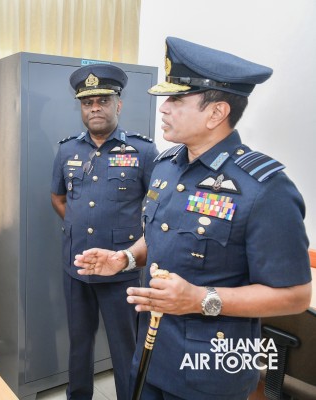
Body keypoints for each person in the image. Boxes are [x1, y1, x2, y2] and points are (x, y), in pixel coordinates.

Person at [74, 37, 312, 400]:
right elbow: (162, 236)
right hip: (153, 351)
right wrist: (124, 258)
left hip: (212, 368)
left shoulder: (264, 188)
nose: (164, 109)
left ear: (216, 113)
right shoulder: (166, 167)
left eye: (176, 100)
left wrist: (201, 299)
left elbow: (295, 296)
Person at [51, 64, 159, 400]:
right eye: (87, 103)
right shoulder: (67, 150)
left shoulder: (143, 152)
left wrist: (127, 248)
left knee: (125, 346)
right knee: (78, 343)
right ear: (81, 108)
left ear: (118, 105)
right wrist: (79, 227)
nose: (95, 108)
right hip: (77, 267)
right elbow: (58, 198)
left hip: (121, 271)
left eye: (103, 101)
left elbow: (156, 210)